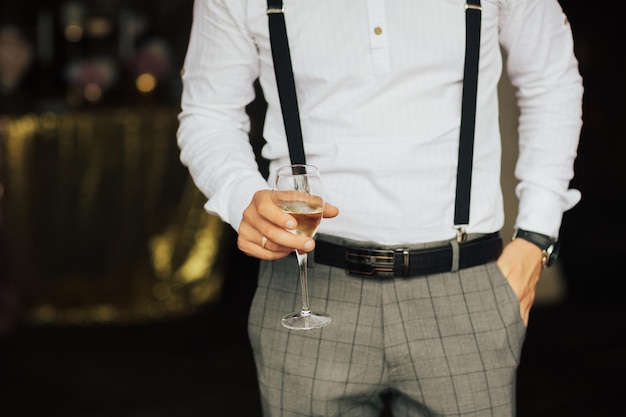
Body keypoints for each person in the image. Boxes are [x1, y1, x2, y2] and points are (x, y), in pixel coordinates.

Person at [177, 0, 583, 415]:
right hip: (306, 287)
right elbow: (208, 114)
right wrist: (243, 196)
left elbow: (551, 81)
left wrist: (536, 236)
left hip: (463, 284)